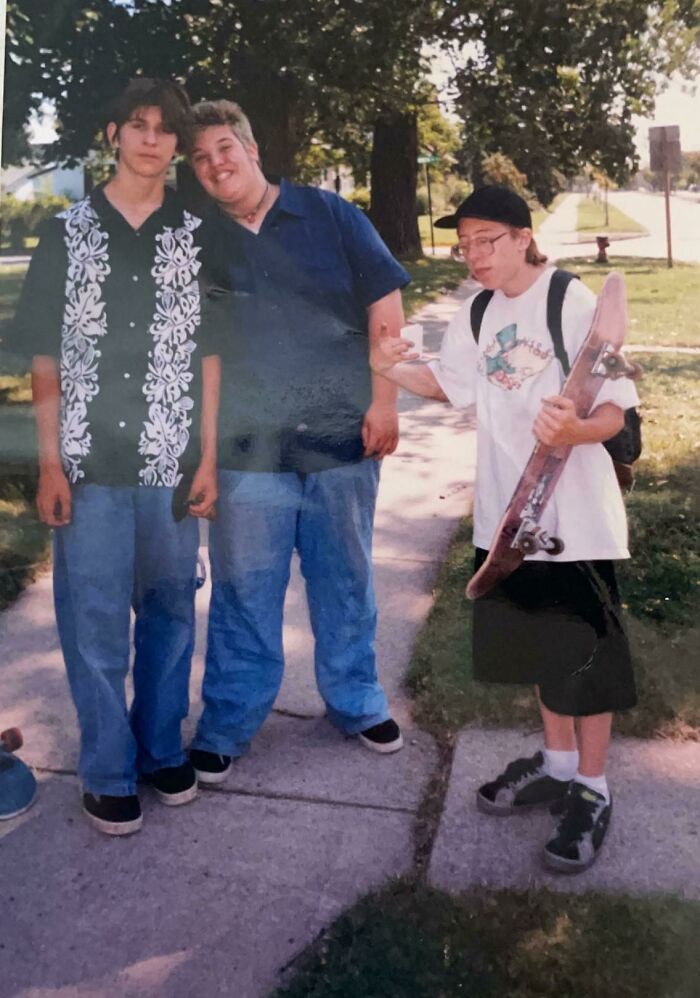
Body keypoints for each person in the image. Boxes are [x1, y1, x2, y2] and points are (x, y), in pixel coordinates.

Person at [369, 185, 639, 873]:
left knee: (586, 661)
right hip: (508, 517)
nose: (474, 255)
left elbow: (617, 410)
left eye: (486, 240)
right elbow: (451, 385)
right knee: (540, 649)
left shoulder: (569, 299)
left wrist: (577, 430)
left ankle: (593, 788)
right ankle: (556, 763)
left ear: (523, 237)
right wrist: (389, 367)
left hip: (574, 520)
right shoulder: (479, 309)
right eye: (464, 244)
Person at [11, 79, 221, 835]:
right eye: (138, 125)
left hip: (172, 461)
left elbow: (212, 356)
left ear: (176, 145)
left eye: (165, 129)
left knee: (170, 613)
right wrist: (49, 463)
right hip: (89, 463)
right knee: (94, 622)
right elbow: (43, 358)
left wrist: (208, 458)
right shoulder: (66, 233)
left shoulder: (198, 232)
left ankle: (161, 749)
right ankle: (105, 769)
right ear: (114, 134)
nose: (152, 139)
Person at [184, 99, 410, 783]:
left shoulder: (330, 214)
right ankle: (228, 722)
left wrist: (386, 401)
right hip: (249, 453)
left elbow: (384, 304)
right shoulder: (199, 242)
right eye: (200, 158)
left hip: (343, 439)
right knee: (244, 591)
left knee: (344, 580)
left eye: (225, 148)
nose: (215, 165)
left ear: (252, 149)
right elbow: (203, 357)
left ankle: (357, 701)